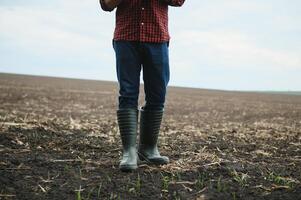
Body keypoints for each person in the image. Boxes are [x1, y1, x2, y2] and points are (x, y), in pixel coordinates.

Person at [99, 0, 185, 172]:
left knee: (157, 95)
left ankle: (148, 149)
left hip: (157, 37)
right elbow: (106, 4)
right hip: (126, 37)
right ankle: (129, 152)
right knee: (128, 93)